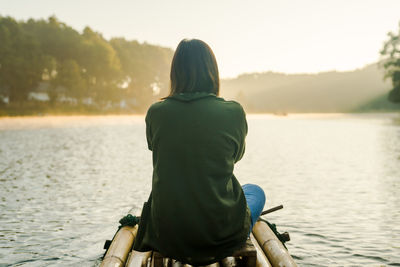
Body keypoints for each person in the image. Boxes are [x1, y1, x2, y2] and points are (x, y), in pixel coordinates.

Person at [133, 39, 265, 265]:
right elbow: (236, 156)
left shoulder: (156, 112)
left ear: (175, 74)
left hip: (168, 232)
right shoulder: (233, 112)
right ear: (213, 72)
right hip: (219, 232)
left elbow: (156, 148)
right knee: (254, 191)